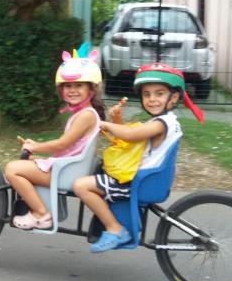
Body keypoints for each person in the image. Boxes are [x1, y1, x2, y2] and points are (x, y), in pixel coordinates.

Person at [73, 62, 204, 252]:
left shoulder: (161, 123)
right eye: (146, 94)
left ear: (174, 97)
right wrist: (117, 121)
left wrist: (102, 123)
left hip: (135, 182)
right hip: (143, 179)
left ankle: (115, 229)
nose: (152, 99)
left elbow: (131, 135)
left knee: (81, 185)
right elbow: (130, 139)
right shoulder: (165, 121)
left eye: (159, 94)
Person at [5, 44, 105, 230]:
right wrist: (39, 154)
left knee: (12, 169)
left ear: (91, 89)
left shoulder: (86, 115)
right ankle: (38, 207)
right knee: (28, 163)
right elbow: (68, 147)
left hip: (68, 173)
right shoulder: (84, 113)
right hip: (68, 167)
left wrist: (35, 146)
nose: (72, 90)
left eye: (78, 85)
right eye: (68, 86)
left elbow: (62, 144)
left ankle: (41, 214)